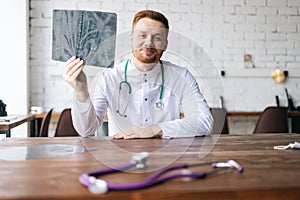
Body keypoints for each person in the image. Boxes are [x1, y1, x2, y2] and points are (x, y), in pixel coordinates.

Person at [63, 10, 213, 139]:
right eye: (142, 35)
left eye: (157, 38)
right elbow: (86, 130)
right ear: (132, 39)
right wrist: (81, 91)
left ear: (166, 44)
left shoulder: (181, 76)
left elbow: (204, 122)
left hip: (165, 156)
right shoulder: (109, 77)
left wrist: (154, 129)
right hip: (120, 157)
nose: (149, 43)